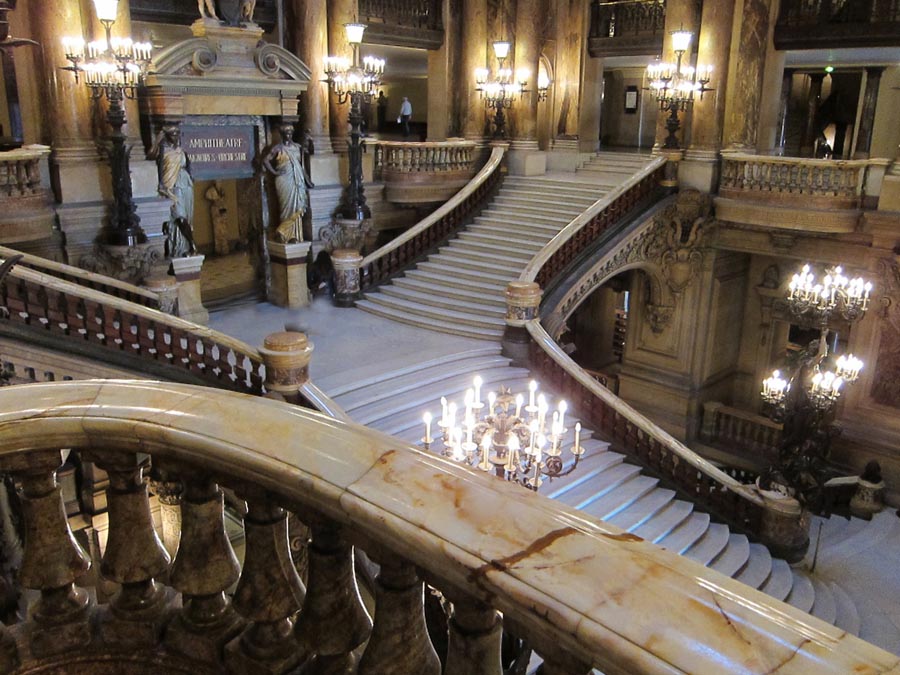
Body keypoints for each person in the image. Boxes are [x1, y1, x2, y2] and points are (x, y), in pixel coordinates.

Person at [262, 123, 314, 244]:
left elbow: (309, 153)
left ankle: (293, 235)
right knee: (286, 207)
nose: (288, 135)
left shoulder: (297, 147)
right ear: (282, 134)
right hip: (284, 180)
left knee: (297, 206)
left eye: (290, 133)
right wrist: (275, 172)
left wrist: (310, 141)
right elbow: (265, 160)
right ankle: (284, 234)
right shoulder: (278, 148)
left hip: (297, 180)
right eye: (286, 133)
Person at [151, 125, 196, 259]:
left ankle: (187, 246)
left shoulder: (182, 152)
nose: (175, 137)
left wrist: (190, 178)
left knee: (185, 216)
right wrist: (157, 141)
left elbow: (189, 169)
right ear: (167, 136)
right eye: (172, 135)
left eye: (177, 134)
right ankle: (191, 244)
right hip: (171, 186)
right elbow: (153, 159)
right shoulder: (163, 151)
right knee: (179, 217)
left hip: (185, 185)